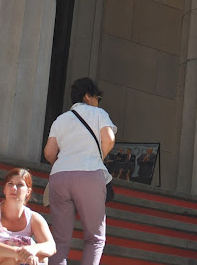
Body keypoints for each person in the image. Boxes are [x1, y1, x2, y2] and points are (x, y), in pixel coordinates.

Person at [44, 78, 116, 265]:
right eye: (97, 97)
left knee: (59, 241)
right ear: (88, 96)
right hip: (89, 172)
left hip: (59, 177)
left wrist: (62, 164)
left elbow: (49, 152)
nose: (98, 101)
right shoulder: (98, 113)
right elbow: (108, 139)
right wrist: (99, 156)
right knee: (95, 239)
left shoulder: (60, 119)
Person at [0, 167, 56, 265]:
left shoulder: (34, 218)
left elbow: (51, 247)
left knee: (41, 256)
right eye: (10, 184)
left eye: (20, 185)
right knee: (17, 257)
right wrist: (18, 252)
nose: (14, 188)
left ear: (28, 191)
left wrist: (33, 249)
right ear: (4, 189)